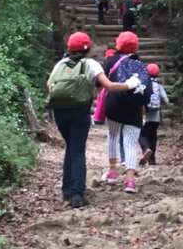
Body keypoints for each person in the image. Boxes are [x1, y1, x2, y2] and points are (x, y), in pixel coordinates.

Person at [47, 32, 141, 208]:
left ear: (69, 47)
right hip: (79, 112)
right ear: (88, 48)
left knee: (70, 148)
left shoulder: (60, 64)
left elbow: (49, 85)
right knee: (77, 150)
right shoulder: (91, 64)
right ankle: (77, 194)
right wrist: (130, 84)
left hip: (60, 112)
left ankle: (67, 190)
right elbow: (110, 86)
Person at [102, 32, 152, 193]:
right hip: (134, 109)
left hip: (114, 105)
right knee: (130, 143)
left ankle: (112, 172)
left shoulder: (111, 61)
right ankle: (130, 181)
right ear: (135, 46)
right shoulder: (140, 64)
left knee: (113, 136)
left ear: (119, 44)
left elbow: (100, 82)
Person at [139, 63, 169, 165]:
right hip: (155, 117)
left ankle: (146, 149)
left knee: (141, 134)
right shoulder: (159, 86)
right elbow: (166, 101)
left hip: (144, 117)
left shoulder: (143, 85)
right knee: (153, 136)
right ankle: (152, 160)